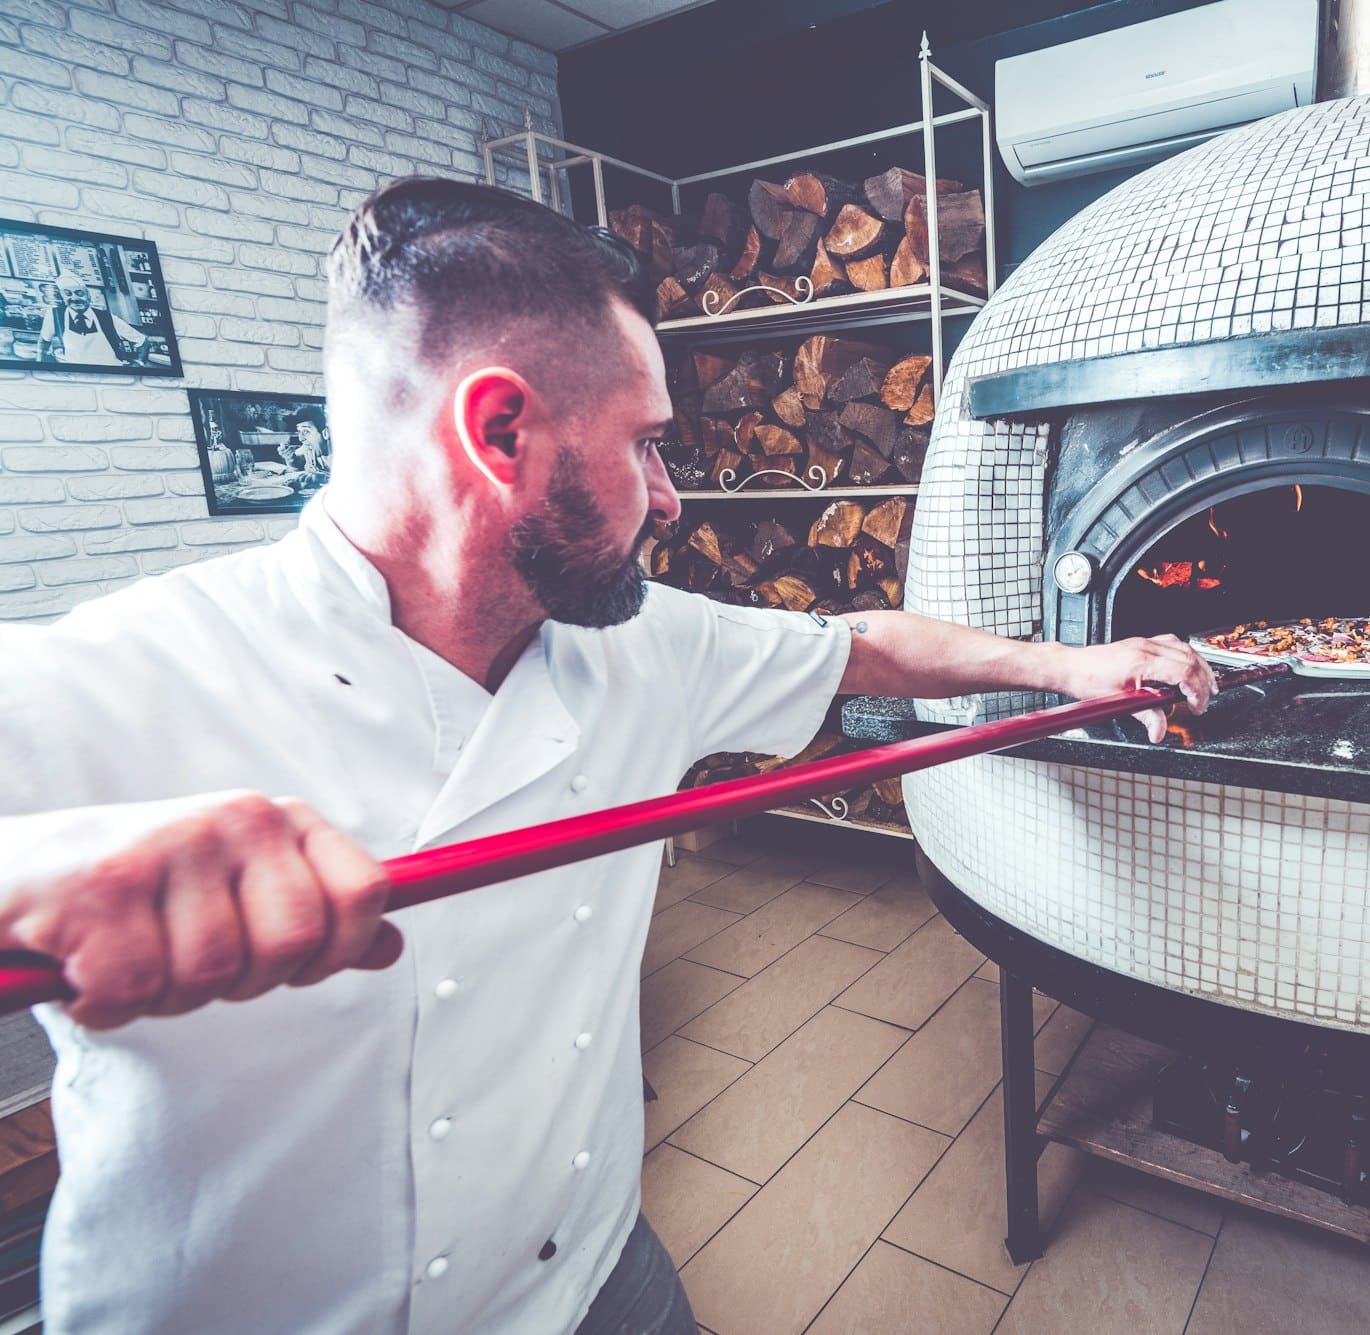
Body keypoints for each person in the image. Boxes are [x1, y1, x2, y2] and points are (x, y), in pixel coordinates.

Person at [0, 177, 1214, 1335]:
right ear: (500, 431)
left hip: (584, 1272)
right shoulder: (128, 672)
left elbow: (863, 648)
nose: (673, 499)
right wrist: (41, 869)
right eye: (646, 444)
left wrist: (1068, 669)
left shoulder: (642, 647)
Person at [35, 270, 145, 367]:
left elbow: (143, 341)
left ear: (89, 296)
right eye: (68, 294)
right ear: (63, 298)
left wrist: (139, 363)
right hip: (74, 374)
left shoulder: (106, 317)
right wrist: (39, 366)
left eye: (79, 293)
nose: (74, 298)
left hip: (110, 371)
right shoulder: (55, 315)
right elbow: (44, 341)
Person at [282, 407, 332, 481]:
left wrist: (323, 479)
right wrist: (291, 460)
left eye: (306, 431)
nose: (301, 438)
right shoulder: (309, 447)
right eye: (299, 431)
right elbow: (297, 461)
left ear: (326, 433)